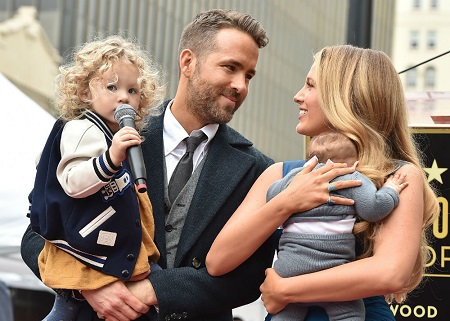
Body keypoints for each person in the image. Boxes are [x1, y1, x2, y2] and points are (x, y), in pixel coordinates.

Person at [21, 11, 360, 321]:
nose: (241, 86)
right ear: (187, 61)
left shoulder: (259, 169)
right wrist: (88, 285)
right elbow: (38, 231)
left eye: (249, 75)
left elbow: (251, 275)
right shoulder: (104, 133)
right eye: (230, 67)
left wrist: (158, 290)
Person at [206, 45, 439, 321]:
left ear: (345, 98)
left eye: (310, 85)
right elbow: (218, 261)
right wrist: (287, 201)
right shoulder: (279, 174)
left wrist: (287, 289)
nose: (297, 96)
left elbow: (390, 273)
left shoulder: (397, 176)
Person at [28, 35, 165, 320]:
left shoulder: (114, 135)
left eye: (132, 90)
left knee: (72, 310)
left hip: (103, 244)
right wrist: (111, 159)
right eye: (112, 87)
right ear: (83, 92)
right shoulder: (82, 130)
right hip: (89, 245)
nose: (123, 97)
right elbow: (73, 181)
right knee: (68, 310)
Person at [264, 131, 407, 321]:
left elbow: (271, 197)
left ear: (309, 162)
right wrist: (391, 191)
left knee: (286, 314)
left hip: (289, 271)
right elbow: (374, 209)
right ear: (353, 164)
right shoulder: (352, 178)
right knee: (350, 312)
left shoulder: (296, 177)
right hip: (332, 272)